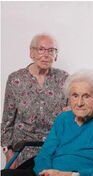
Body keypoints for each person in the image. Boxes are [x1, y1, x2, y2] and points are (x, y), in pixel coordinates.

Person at [1, 69, 93, 176]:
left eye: (86, 96)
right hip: (49, 173)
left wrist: (69, 175)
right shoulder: (63, 119)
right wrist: (44, 174)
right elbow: (46, 153)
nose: (79, 103)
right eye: (75, 96)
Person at [1, 33, 69, 168]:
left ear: (56, 55)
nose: (46, 54)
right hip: (23, 150)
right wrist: (8, 152)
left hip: (55, 149)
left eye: (51, 50)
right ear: (31, 52)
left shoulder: (64, 78)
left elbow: (72, 116)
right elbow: (7, 122)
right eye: (41, 49)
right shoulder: (16, 79)